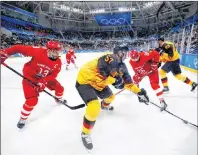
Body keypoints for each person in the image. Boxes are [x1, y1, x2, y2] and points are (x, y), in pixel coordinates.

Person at [75, 45, 149, 151]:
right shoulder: (111, 57)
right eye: (123, 52)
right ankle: (85, 134)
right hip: (85, 81)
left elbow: (128, 83)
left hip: (99, 85)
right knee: (94, 106)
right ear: (118, 52)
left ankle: (104, 106)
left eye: (126, 53)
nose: (125, 55)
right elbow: (102, 69)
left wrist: (139, 92)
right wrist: (115, 79)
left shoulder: (122, 67)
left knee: (111, 97)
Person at [1, 41, 64, 129]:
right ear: (48, 49)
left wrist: (44, 81)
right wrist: (6, 52)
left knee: (60, 89)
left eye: (57, 50)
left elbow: (53, 74)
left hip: (43, 78)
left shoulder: (58, 62)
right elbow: (18, 48)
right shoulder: (38, 52)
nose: (55, 52)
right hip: (30, 78)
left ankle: (58, 99)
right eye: (53, 50)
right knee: (32, 100)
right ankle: (23, 118)